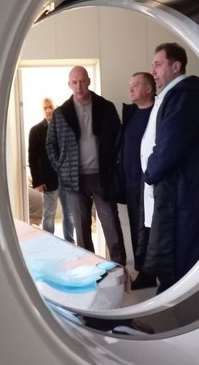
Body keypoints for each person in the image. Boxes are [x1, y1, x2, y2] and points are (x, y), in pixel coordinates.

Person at [138, 42, 199, 294]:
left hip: (179, 192)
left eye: (158, 64)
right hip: (171, 188)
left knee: (179, 258)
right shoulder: (173, 95)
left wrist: (150, 173)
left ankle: (177, 306)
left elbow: (169, 146)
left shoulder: (184, 97)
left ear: (176, 66)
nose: (153, 70)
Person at [46, 66, 127, 266]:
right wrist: (61, 166)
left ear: (88, 81)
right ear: (69, 85)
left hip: (102, 176)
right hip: (74, 179)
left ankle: (119, 268)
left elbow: (119, 139)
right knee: (81, 229)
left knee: (111, 224)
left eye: (82, 81)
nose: (79, 86)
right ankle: (89, 270)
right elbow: (50, 143)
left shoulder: (106, 107)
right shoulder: (60, 113)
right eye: (75, 82)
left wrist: (115, 164)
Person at [117, 72, 157, 290]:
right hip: (132, 183)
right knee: (136, 229)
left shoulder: (159, 112)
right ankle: (143, 272)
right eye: (129, 85)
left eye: (135, 85)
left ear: (149, 89)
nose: (130, 89)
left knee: (152, 230)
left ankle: (154, 272)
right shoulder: (131, 114)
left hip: (151, 183)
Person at [28, 97, 74, 242]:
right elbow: (33, 158)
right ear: (42, 110)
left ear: (55, 107)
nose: (48, 110)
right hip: (48, 180)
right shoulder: (35, 131)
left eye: (51, 107)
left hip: (66, 179)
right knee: (48, 215)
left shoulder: (65, 127)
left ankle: (70, 243)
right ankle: (48, 243)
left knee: (69, 214)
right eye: (45, 107)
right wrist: (37, 181)